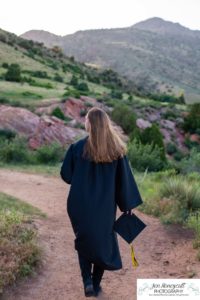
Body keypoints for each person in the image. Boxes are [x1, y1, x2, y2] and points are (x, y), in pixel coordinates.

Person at [60, 107, 143, 297]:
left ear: (90, 123)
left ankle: (87, 282)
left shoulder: (76, 148)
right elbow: (125, 181)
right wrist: (127, 206)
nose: (85, 122)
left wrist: (82, 176)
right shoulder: (117, 151)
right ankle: (95, 283)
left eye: (86, 120)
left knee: (84, 239)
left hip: (79, 204)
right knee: (103, 242)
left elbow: (66, 175)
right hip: (105, 206)